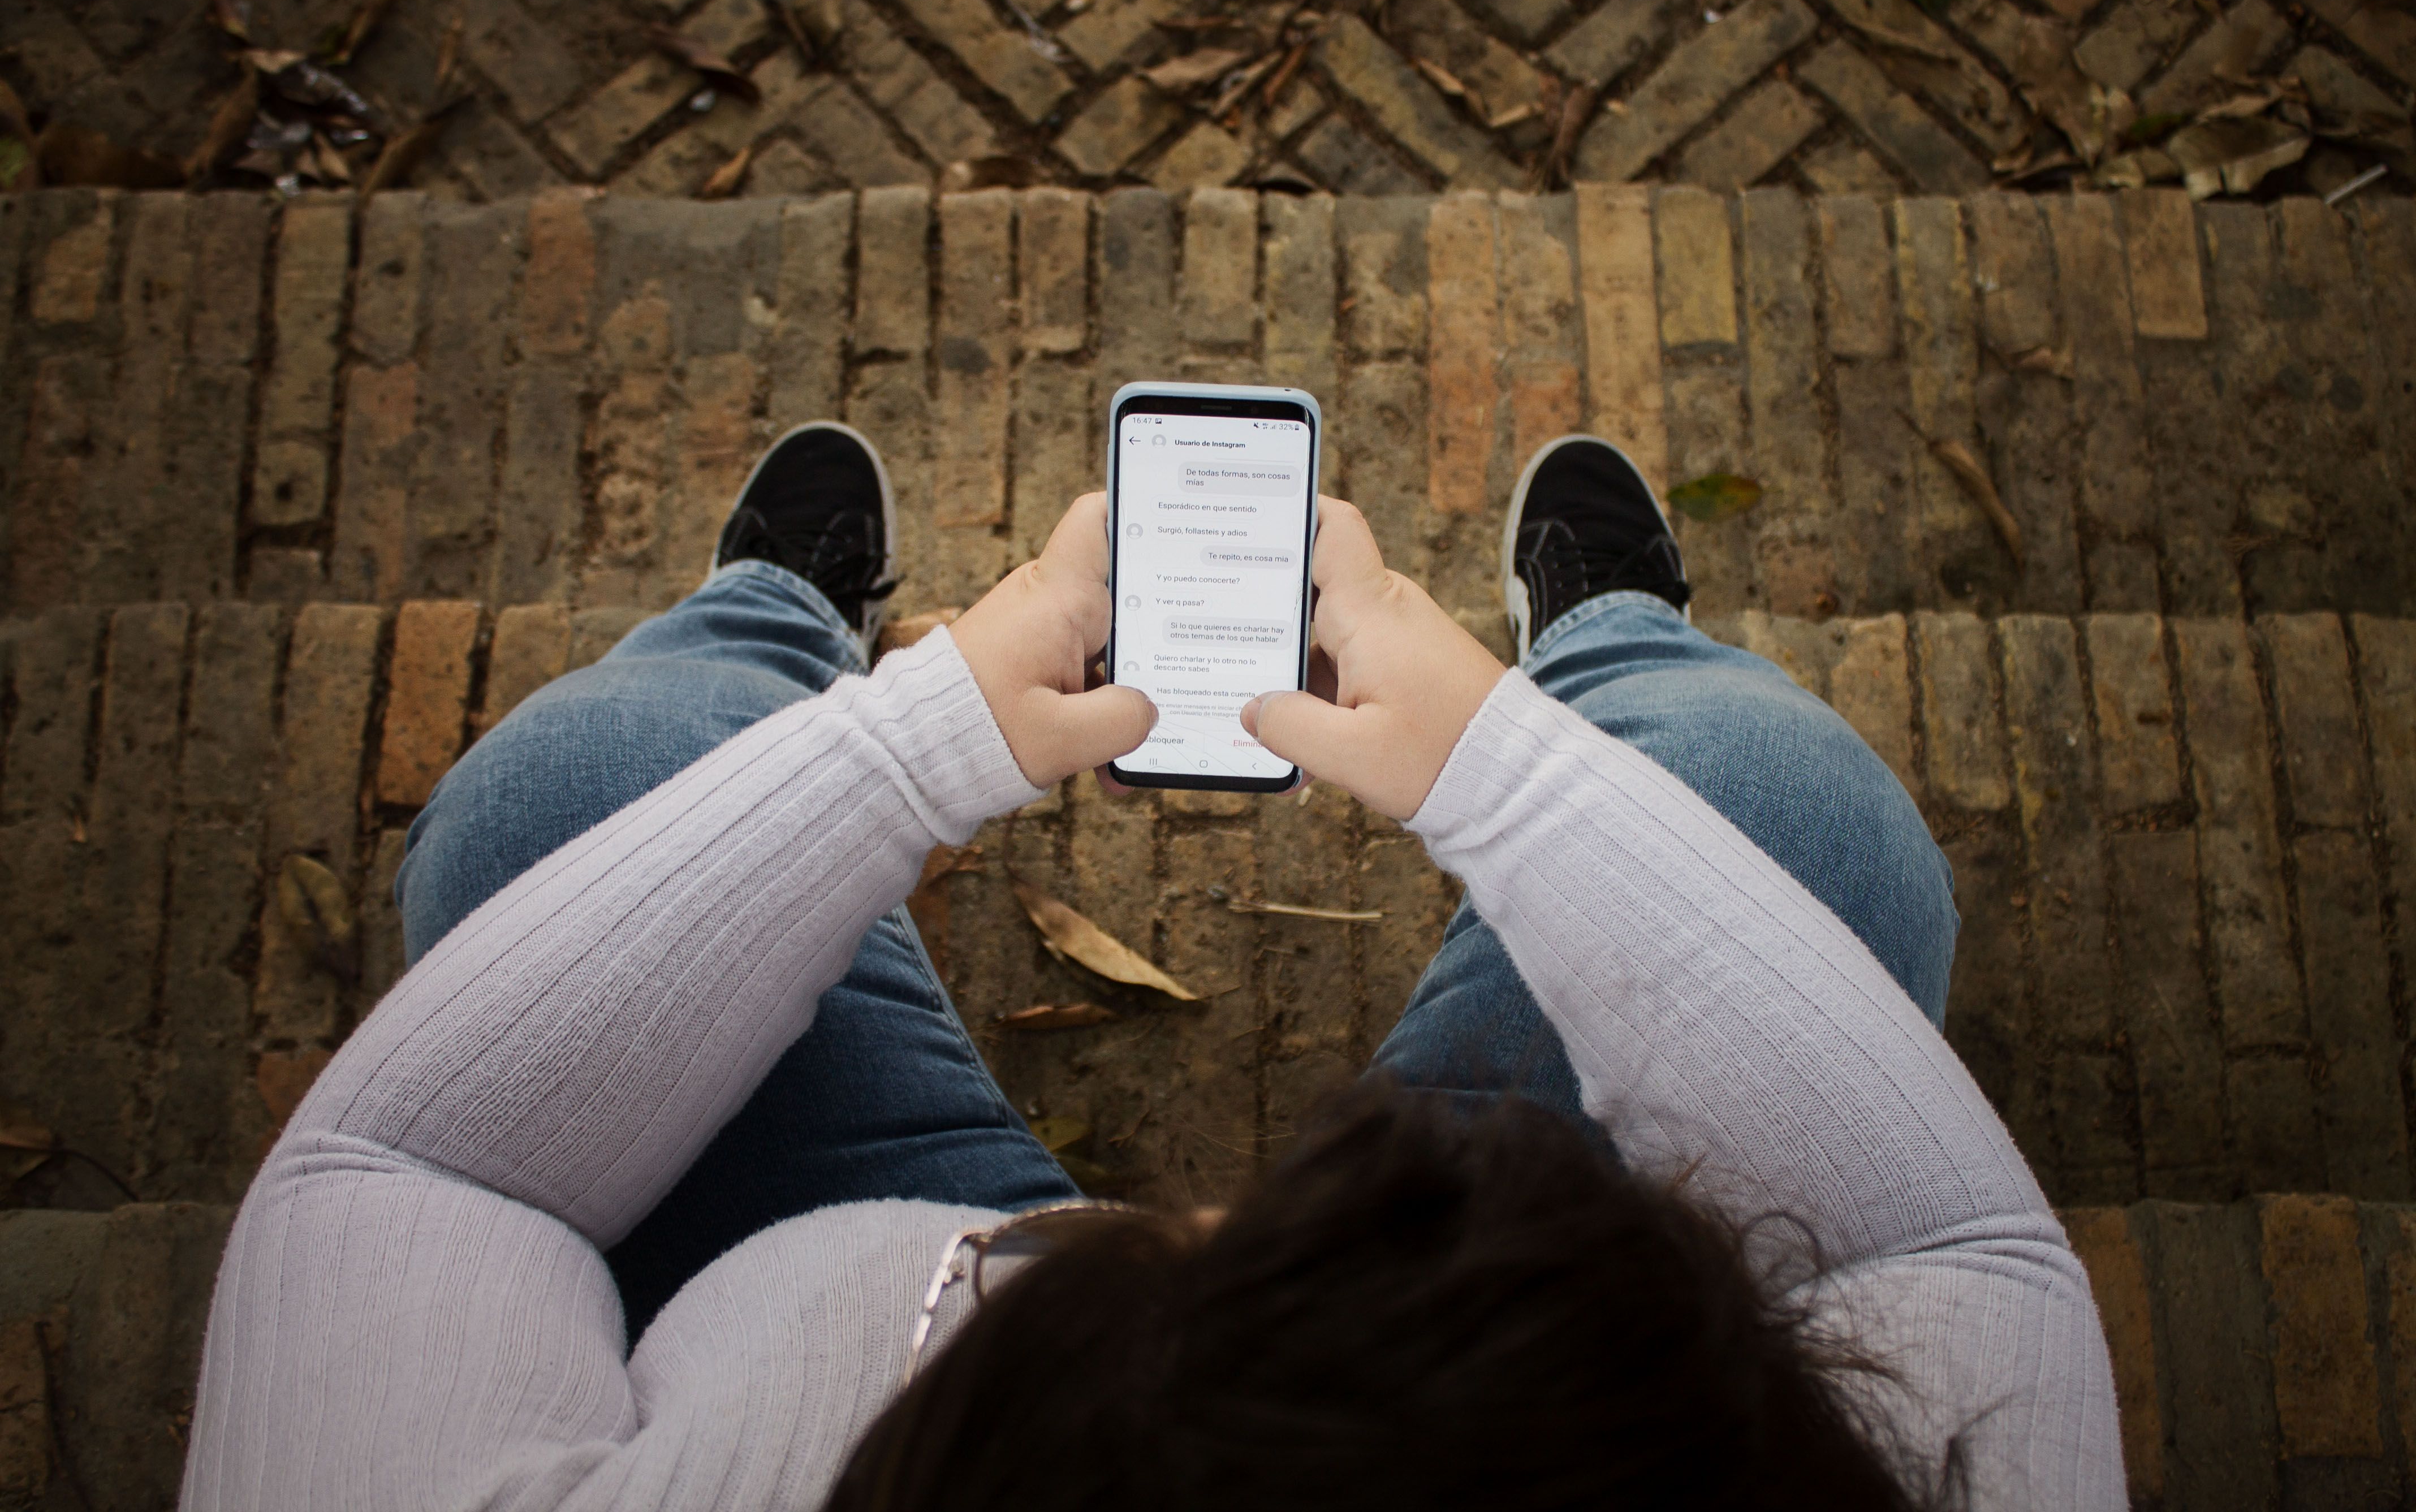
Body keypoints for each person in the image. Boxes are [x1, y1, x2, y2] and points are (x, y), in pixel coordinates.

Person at [178, 422, 2121, 1510]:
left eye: (1162, 1271)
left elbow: (424, 1167)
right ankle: (1607, 649)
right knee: (1780, 806)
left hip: (783, 1266)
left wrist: (916, 736)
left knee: (584, 796)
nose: (1209, 1206)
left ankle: (769, 624)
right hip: (1523, 1271)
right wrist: (1501, 772)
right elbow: (1956, 1267)